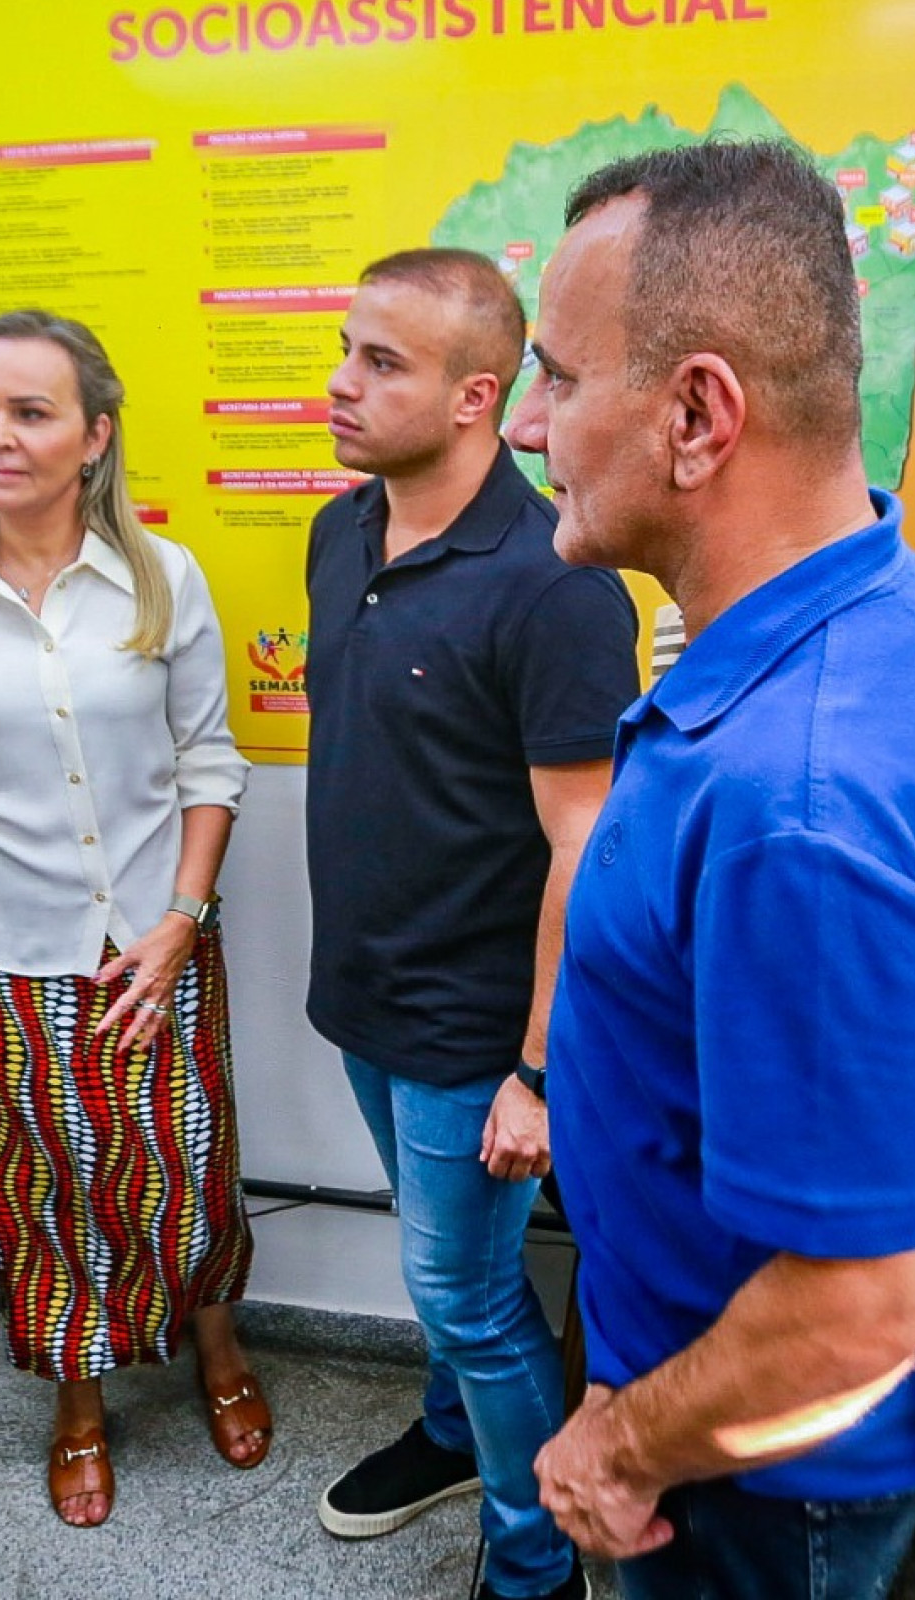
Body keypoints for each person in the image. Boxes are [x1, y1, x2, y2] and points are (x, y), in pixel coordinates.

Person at [505, 140, 915, 1599]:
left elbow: (867, 1300)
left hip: (751, 1494)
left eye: (557, 374)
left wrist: (618, 1452)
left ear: (697, 415)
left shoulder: (802, 797)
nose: (531, 421)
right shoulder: (871, 595)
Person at [0, 309, 263, 1528]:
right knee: (45, 1188)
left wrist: (184, 918)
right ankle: (78, 1402)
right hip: (0, 959)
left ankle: (217, 1343)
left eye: (30, 412)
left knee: (190, 1167)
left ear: (93, 436)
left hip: (157, 939)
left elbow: (211, 765)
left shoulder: (161, 578)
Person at [305, 249, 639, 1600]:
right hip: (367, 1001)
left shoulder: (556, 584)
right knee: (441, 1274)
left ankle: (531, 1562)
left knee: (471, 1300)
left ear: (477, 399)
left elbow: (586, 844)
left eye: (381, 363)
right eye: (346, 348)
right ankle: (453, 1438)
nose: (339, 382)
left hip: (477, 1034)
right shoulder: (340, 533)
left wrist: (538, 1073)